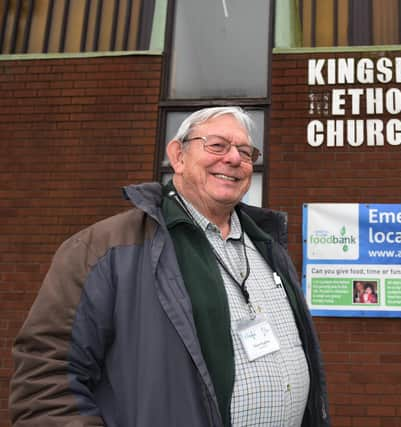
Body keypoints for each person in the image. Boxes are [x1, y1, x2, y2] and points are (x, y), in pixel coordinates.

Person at [9, 107, 330, 426]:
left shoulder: (267, 246)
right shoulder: (103, 249)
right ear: (178, 156)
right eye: (217, 145)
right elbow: (45, 380)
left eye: (245, 152)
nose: (234, 159)